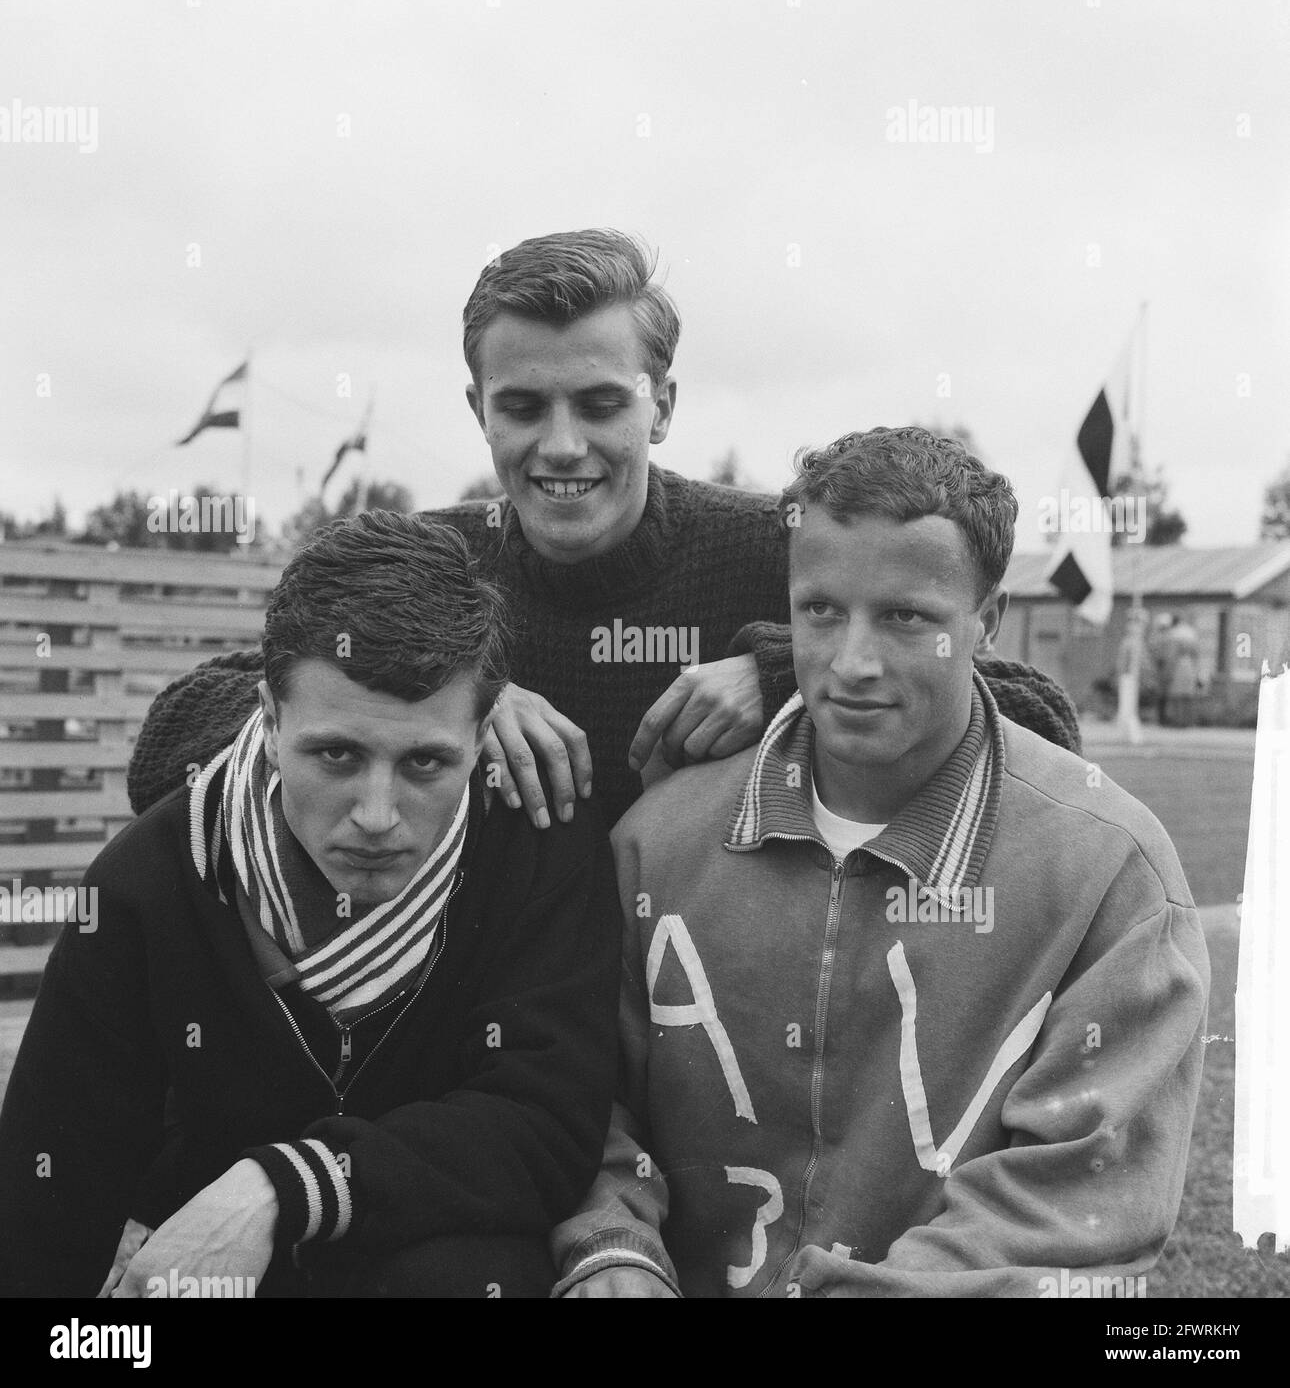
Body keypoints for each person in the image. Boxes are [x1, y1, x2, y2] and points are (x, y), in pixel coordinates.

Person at [126, 230, 1081, 832]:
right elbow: (171, 744)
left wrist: (790, 671)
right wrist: (437, 696)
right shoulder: (430, 562)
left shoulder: (778, 550)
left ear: (661, 406)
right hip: (488, 1028)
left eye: (597, 402)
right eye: (524, 407)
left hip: (719, 1021)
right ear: (478, 410)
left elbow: (1042, 722)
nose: (562, 445)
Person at [552, 427, 1209, 1298]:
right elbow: (579, 1104)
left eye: (906, 617)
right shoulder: (657, 841)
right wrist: (612, 1250)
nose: (851, 663)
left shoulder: (1110, 873)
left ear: (988, 621)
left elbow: (1078, 1200)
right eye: (820, 610)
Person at [0, 512, 619, 1298]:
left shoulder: (539, 845)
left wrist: (289, 1186)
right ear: (268, 713)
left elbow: (545, 1127)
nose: (376, 814)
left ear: (486, 731)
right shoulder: (144, 885)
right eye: (337, 754)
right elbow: (48, 1201)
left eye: (426, 762)